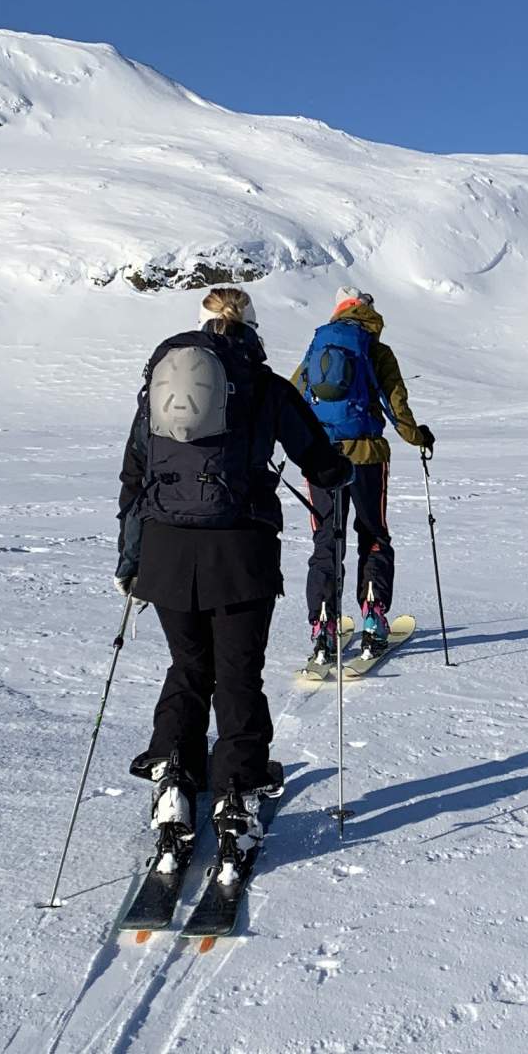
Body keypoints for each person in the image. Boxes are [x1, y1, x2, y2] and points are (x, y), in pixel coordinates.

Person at [115, 287, 352, 858]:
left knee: (189, 666)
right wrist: (340, 471)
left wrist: (131, 559)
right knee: (238, 673)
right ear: (250, 326)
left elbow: (133, 475)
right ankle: (237, 795)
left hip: (166, 553)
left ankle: (174, 776)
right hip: (240, 553)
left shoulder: (158, 390)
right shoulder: (265, 385)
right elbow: (318, 458)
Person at [291, 287, 434, 663]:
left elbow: (293, 396)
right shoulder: (374, 348)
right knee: (372, 534)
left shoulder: (319, 345)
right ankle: (373, 618)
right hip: (367, 456)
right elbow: (395, 401)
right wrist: (418, 437)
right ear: (368, 311)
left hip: (322, 459)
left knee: (326, 539)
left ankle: (323, 626)